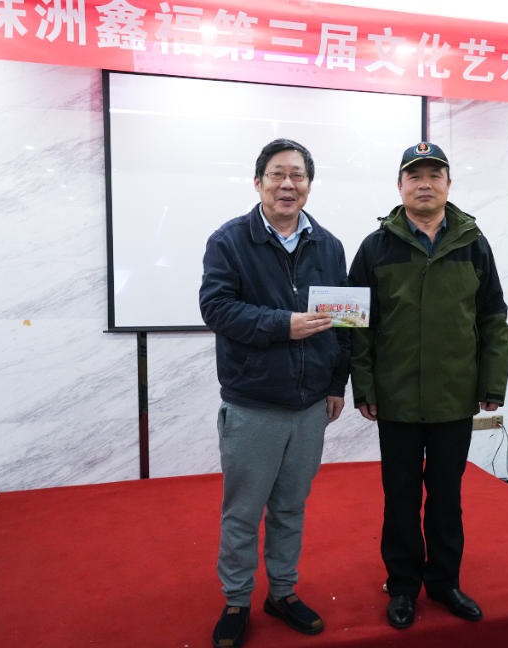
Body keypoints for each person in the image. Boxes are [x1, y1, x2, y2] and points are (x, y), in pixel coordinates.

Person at [349, 142, 508, 630]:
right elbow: (357, 324)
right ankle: (402, 586)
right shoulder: (376, 247)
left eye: (434, 175)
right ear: (400, 186)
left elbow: (493, 317)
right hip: (395, 398)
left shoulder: (473, 243)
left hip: (452, 398)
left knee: (446, 499)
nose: (425, 184)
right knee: (400, 499)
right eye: (414, 176)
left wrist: (492, 383)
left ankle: (444, 583)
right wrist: (365, 388)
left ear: (448, 184)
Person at [199, 139, 350, 648]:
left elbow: (342, 322)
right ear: (258, 181)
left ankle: (282, 592)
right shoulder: (229, 241)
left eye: (298, 175)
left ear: (309, 184)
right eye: (277, 174)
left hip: (310, 406)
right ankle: (237, 600)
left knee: (290, 507)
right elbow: (217, 308)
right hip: (253, 404)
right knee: (243, 512)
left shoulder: (329, 245)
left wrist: (336, 384)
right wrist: (283, 324)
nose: (288, 184)